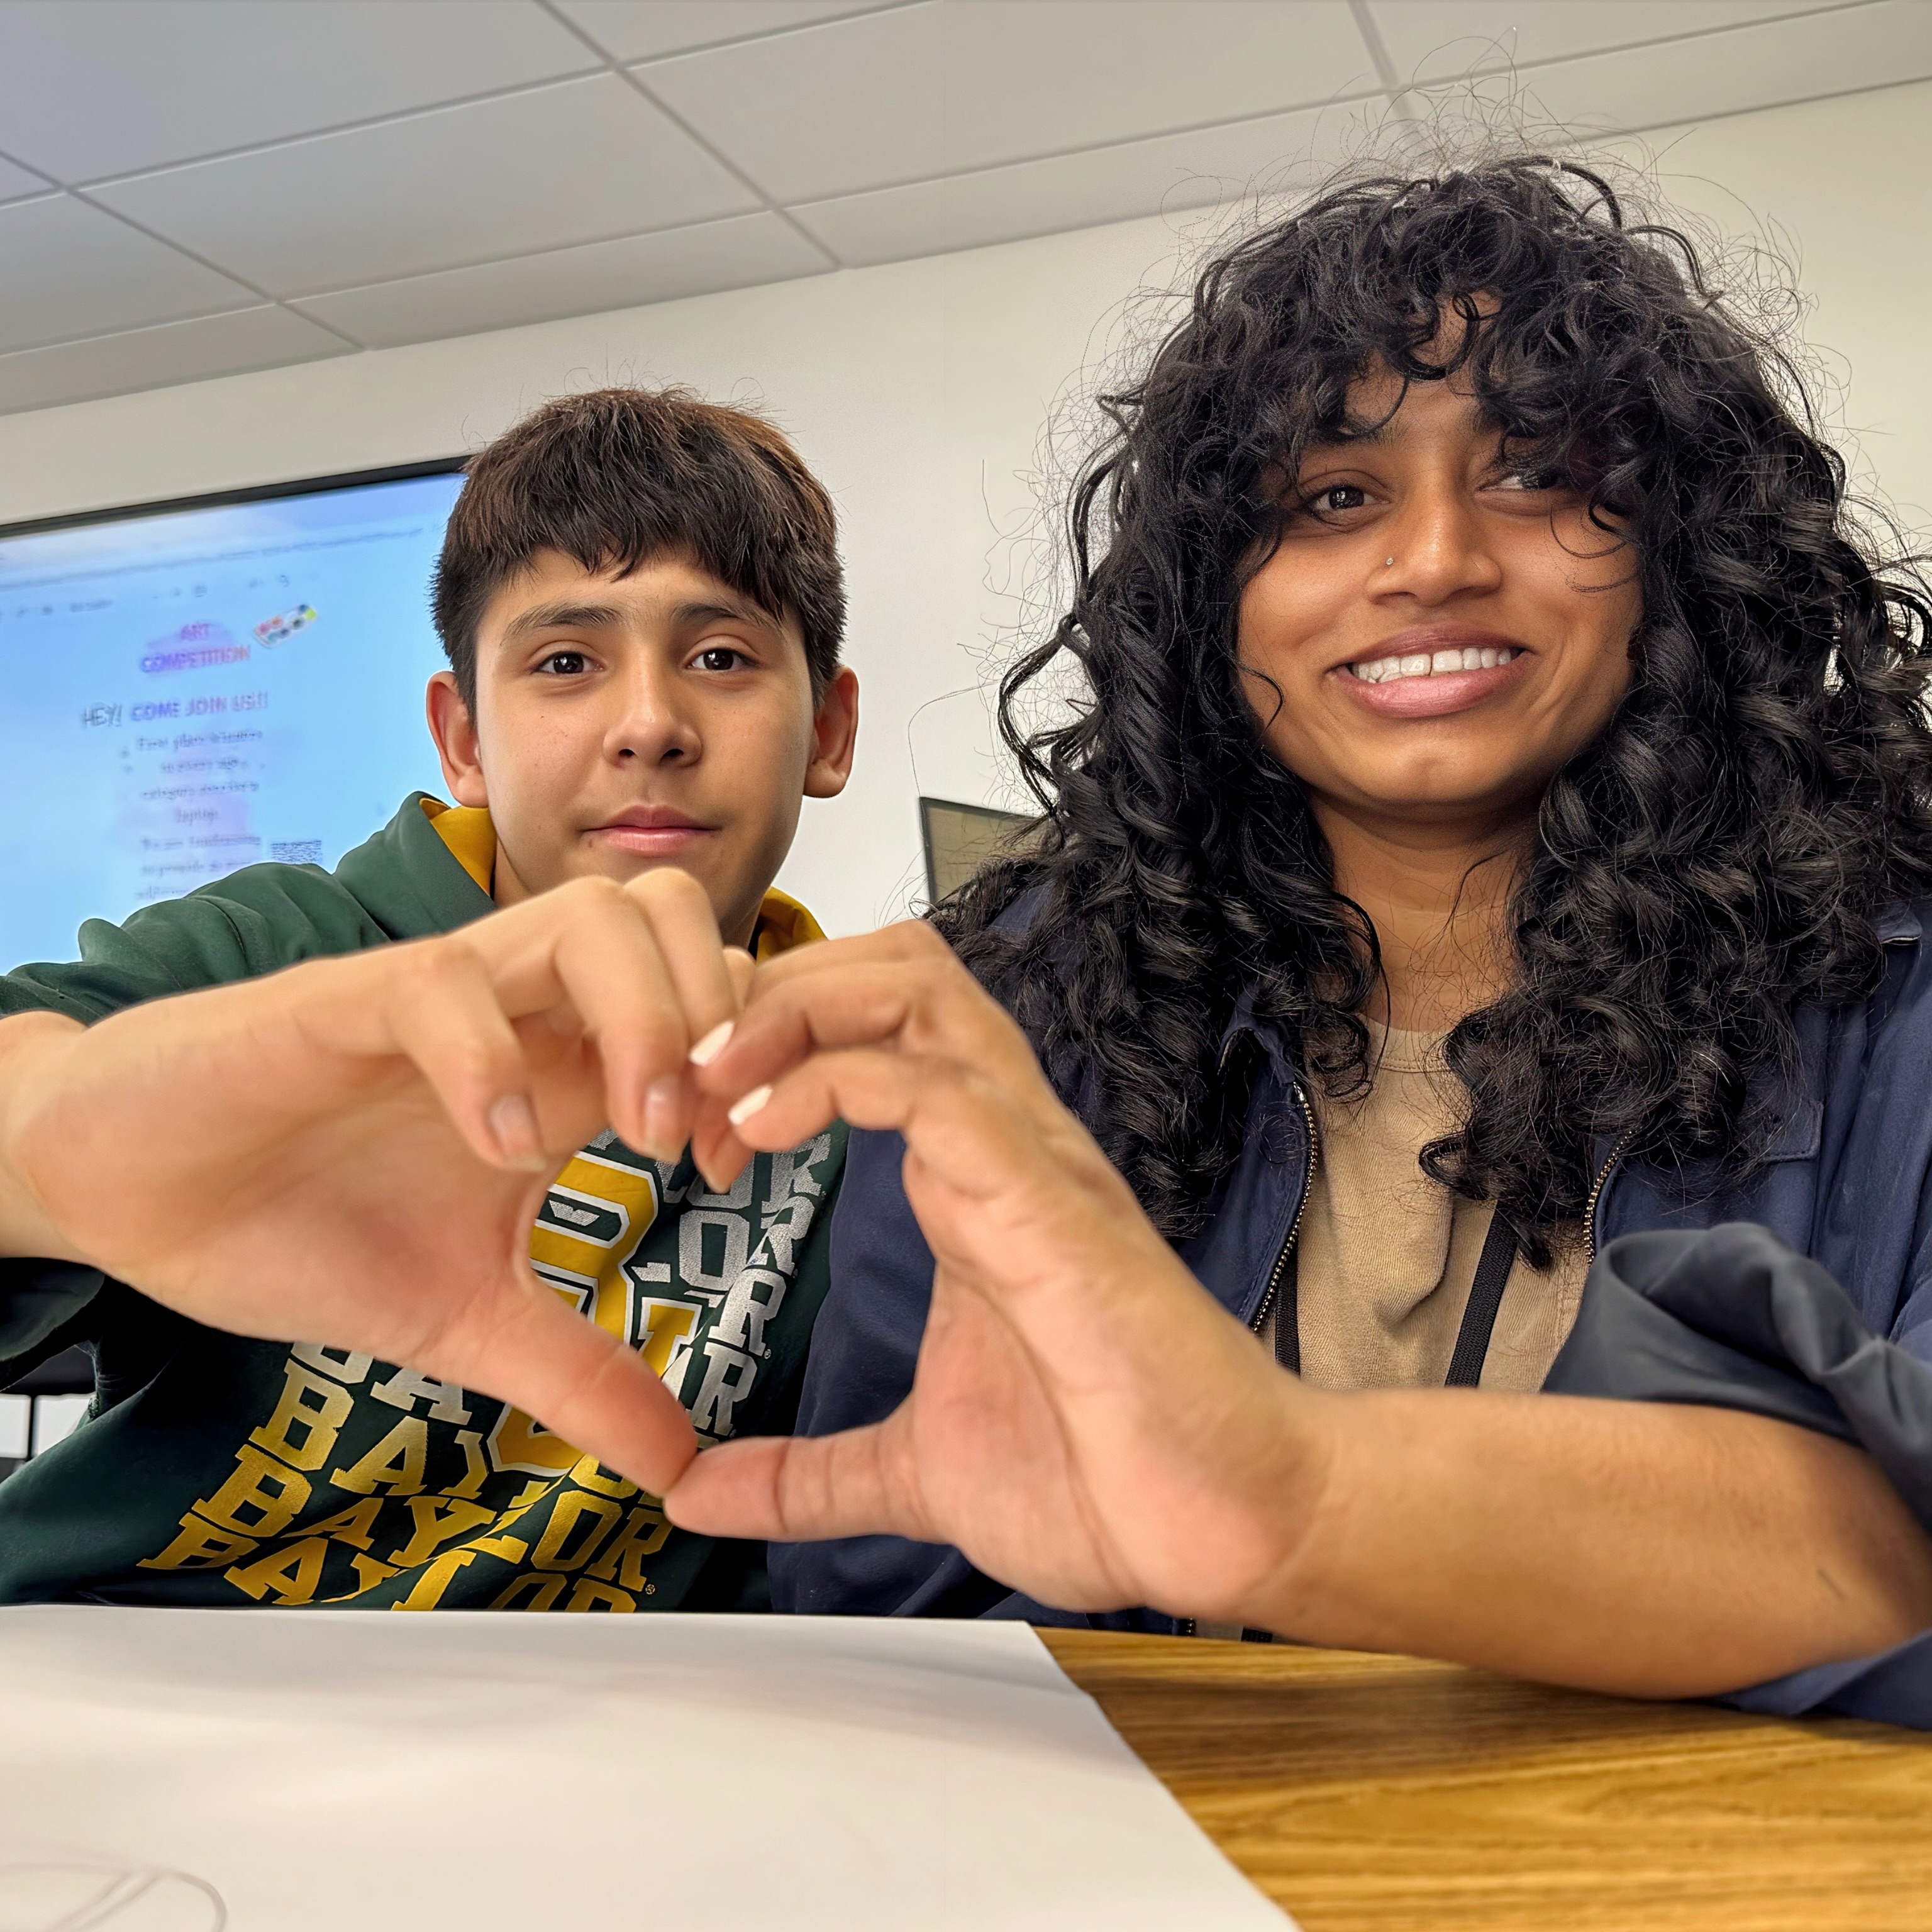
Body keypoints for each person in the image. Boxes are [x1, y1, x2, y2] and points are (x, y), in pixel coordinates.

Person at [763, 156, 1932, 1723]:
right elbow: (896, 1605)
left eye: (1535, 472)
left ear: (1674, 544)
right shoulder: (1022, 1011)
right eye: (1330, 498)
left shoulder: (1897, 987)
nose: (1434, 558)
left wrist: (1284, 1493)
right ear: (1209, 604)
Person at [0, 386, 859, 1613]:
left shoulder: (862, 1099)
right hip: (121, 1692)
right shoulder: (286, 955)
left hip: (608, 1755)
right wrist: (46, 1142)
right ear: (461, 742)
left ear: (828, 729)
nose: (650, 724)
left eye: (720, 656)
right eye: (566, 662)